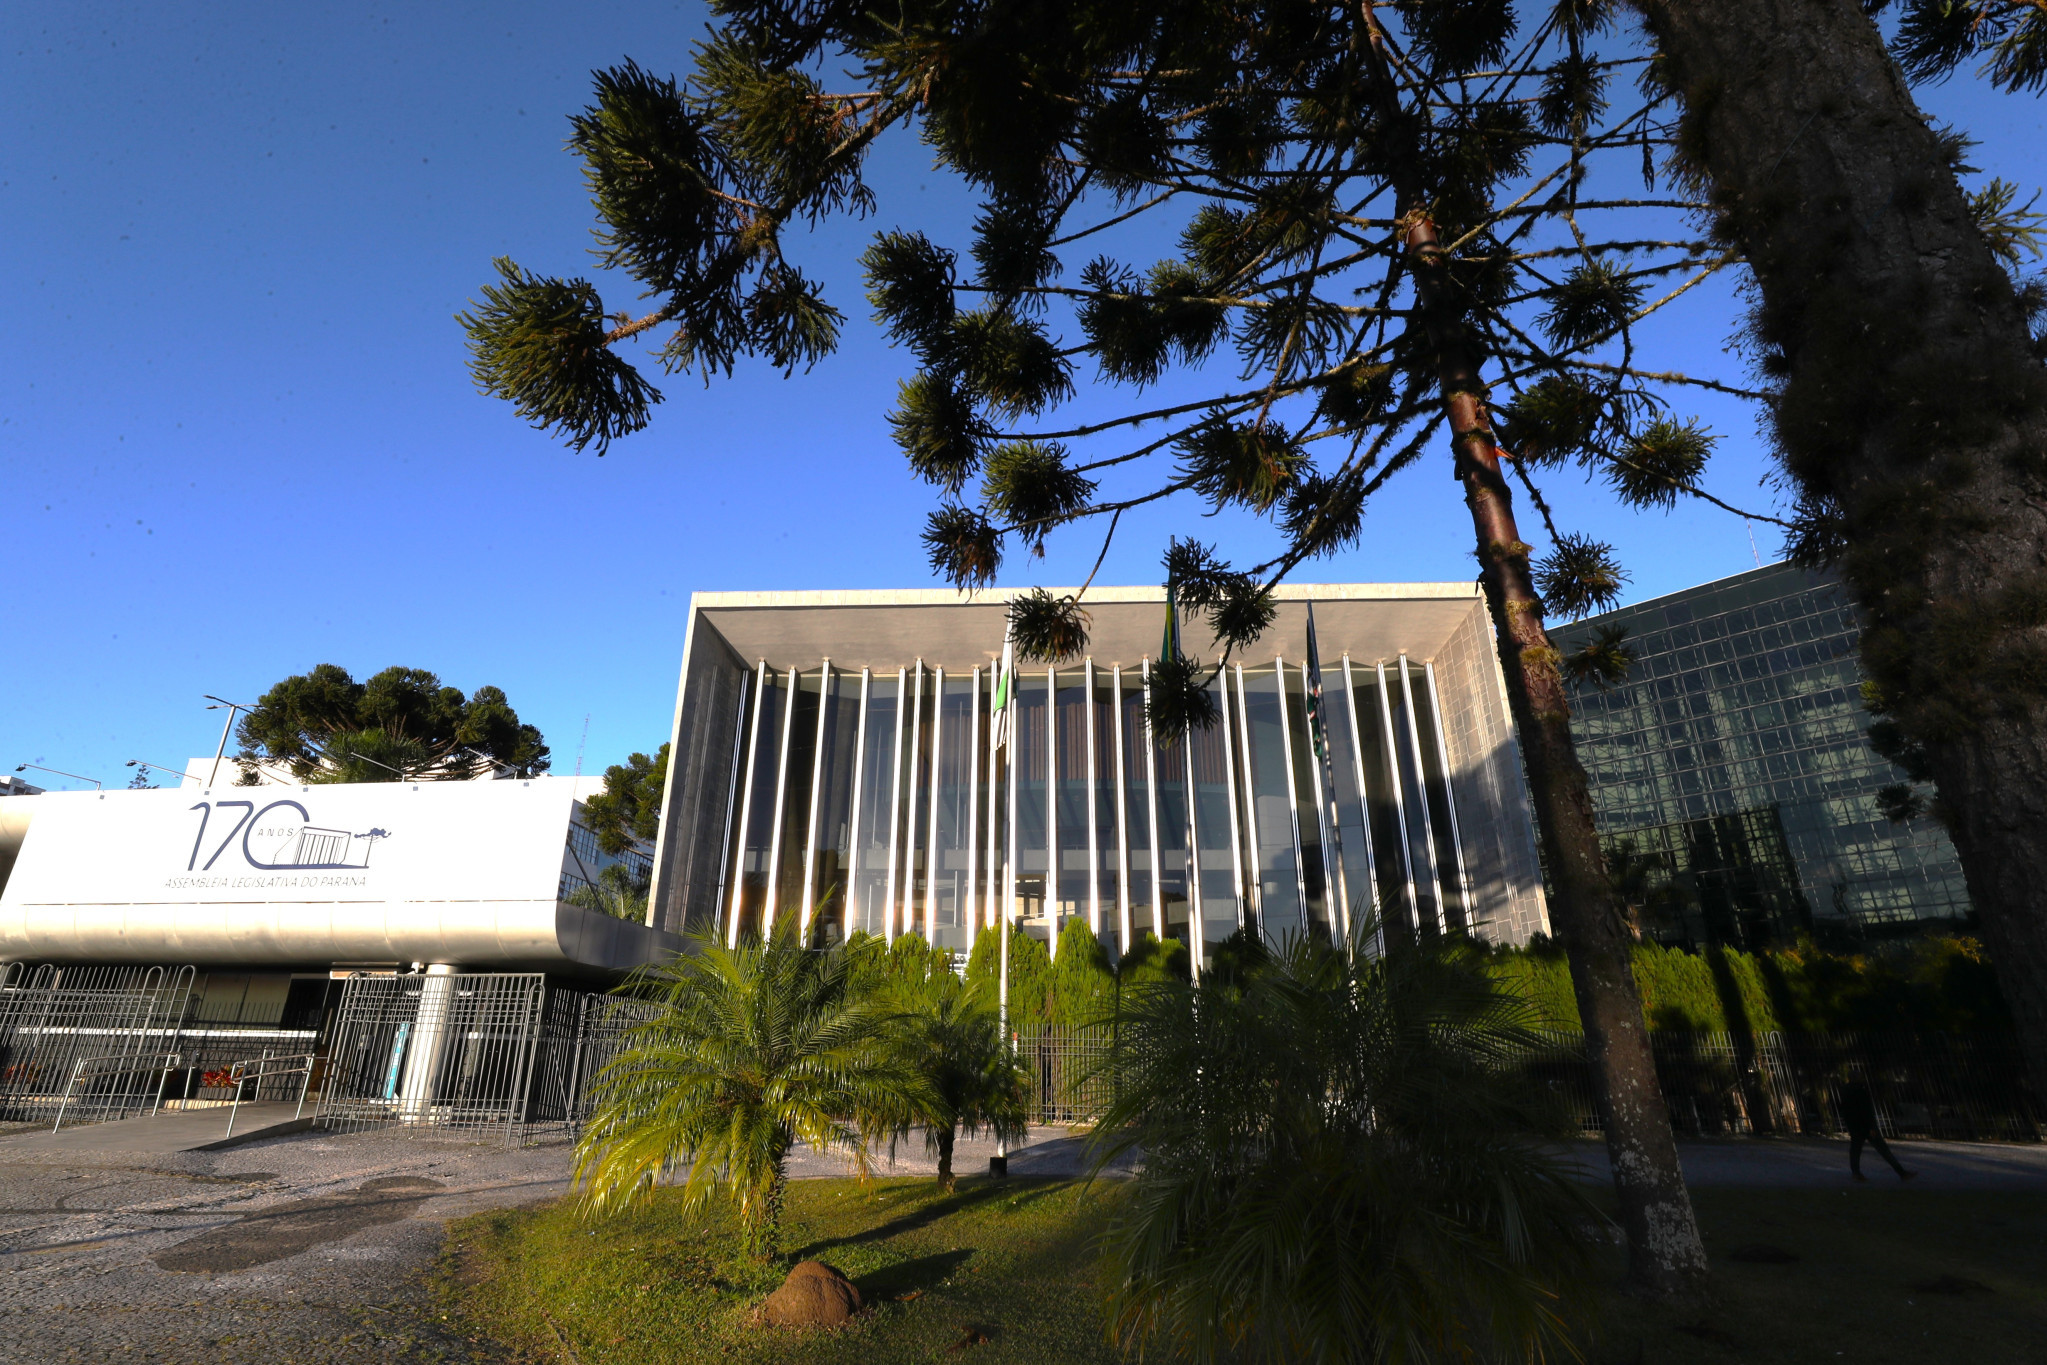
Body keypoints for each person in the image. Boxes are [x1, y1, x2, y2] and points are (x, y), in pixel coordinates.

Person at [1838, 1078, 1915, 1182]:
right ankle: (1901, 1172)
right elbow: (1867, 1112)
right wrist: (1872, 1127)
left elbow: (1844, 1111)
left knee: (1855, 1151)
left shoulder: (1845, 1093)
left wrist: (1850, 1126)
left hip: (1855, 1127)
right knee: (1883, 1150)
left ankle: (1856, 1173)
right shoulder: (1862, 1092)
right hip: (1866, 1127)